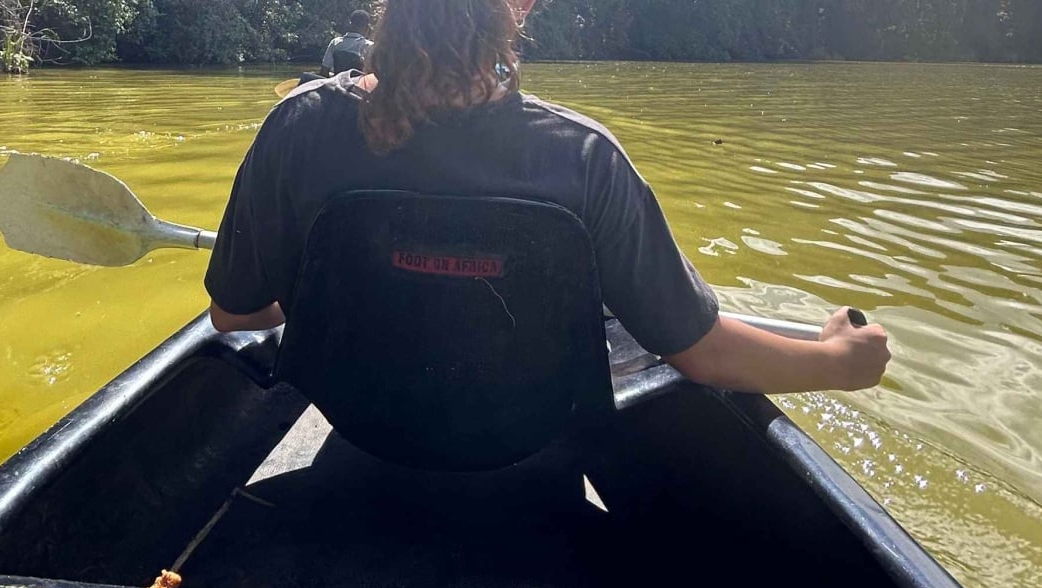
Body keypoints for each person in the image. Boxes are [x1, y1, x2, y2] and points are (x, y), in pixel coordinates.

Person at [208, 0, 889, 395]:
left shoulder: (296, 127)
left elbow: (235, 313)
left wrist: (313, 292)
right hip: (524, 459)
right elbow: (699, 349)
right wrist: (836, 362)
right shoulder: (584, 158)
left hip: (366, 439)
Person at [320, 9, 374, 75]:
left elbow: (324, 71)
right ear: (368, 27)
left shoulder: (335, 42)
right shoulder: (370, 46)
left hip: (338, 83)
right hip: (358, 84)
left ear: (350, 24)